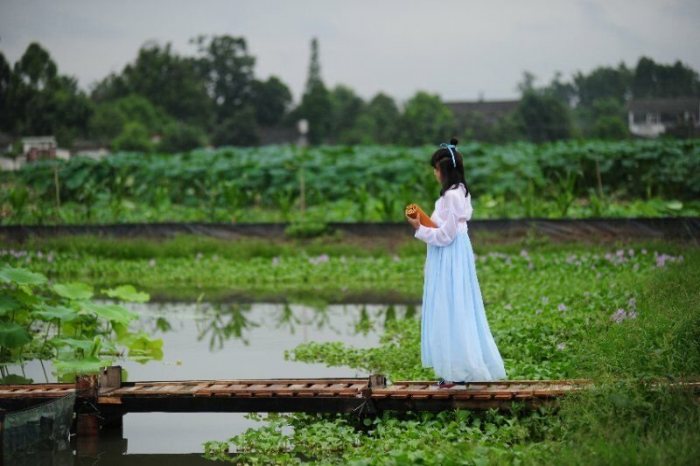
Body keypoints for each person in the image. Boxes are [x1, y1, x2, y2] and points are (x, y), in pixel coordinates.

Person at [405, 138, 507, 388]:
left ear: (444, 170)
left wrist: (419, 228)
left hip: (450, 255)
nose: (434, 173)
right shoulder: (460, 192)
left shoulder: (451, 197)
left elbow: (446, 235)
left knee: (450, 308)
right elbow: (448, 228)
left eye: (436, 169)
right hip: (452, 254)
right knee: (456, 307)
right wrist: (426, 221)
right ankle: (456, 369)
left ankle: (455, 372)